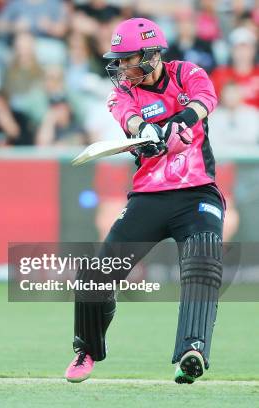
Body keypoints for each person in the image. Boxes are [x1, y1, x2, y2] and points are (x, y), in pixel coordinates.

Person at [64, 18, 223, 385]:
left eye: (127, 59)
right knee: (94, 275)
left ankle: (191, 350)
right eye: (117, 60)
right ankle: (86, 348)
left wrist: (179, 120)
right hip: (149, 196)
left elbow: (206, 99)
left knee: (202, 265)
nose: (121, 67)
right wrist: (146, 131)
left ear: (152, 55)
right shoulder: (122, 93)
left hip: (197, 192)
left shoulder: (187, 72)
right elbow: (130, 119)